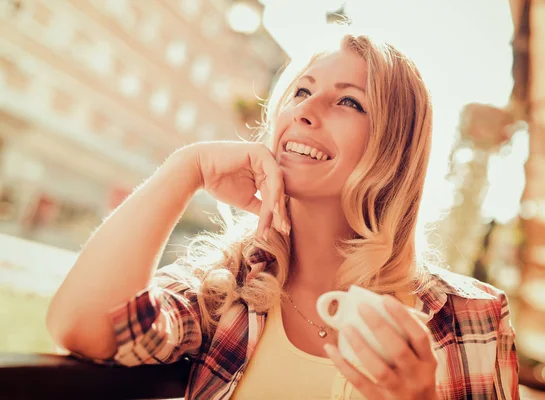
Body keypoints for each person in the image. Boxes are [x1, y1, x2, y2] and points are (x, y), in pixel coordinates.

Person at [46, 31, 519, 400]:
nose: (306, 111)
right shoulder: (223, 290)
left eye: (349, 101)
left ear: (393, 149)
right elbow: (84, 326)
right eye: (299, 92)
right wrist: (184, 169)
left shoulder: (474, 318)